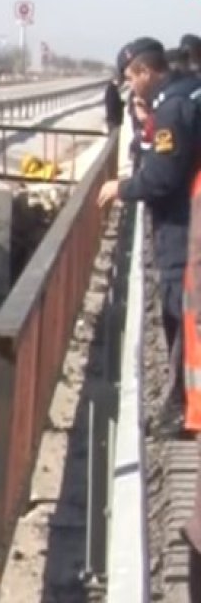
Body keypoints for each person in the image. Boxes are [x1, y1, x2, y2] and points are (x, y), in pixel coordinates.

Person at [97, 36, 201, 438]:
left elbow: (162, 177)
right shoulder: (190, 90)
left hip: (184, 224)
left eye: (130, 78)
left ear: (145, 71)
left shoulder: (173, 107)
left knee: (184, 309)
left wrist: (121, 188)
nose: (129, 87)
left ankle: (189, 412)